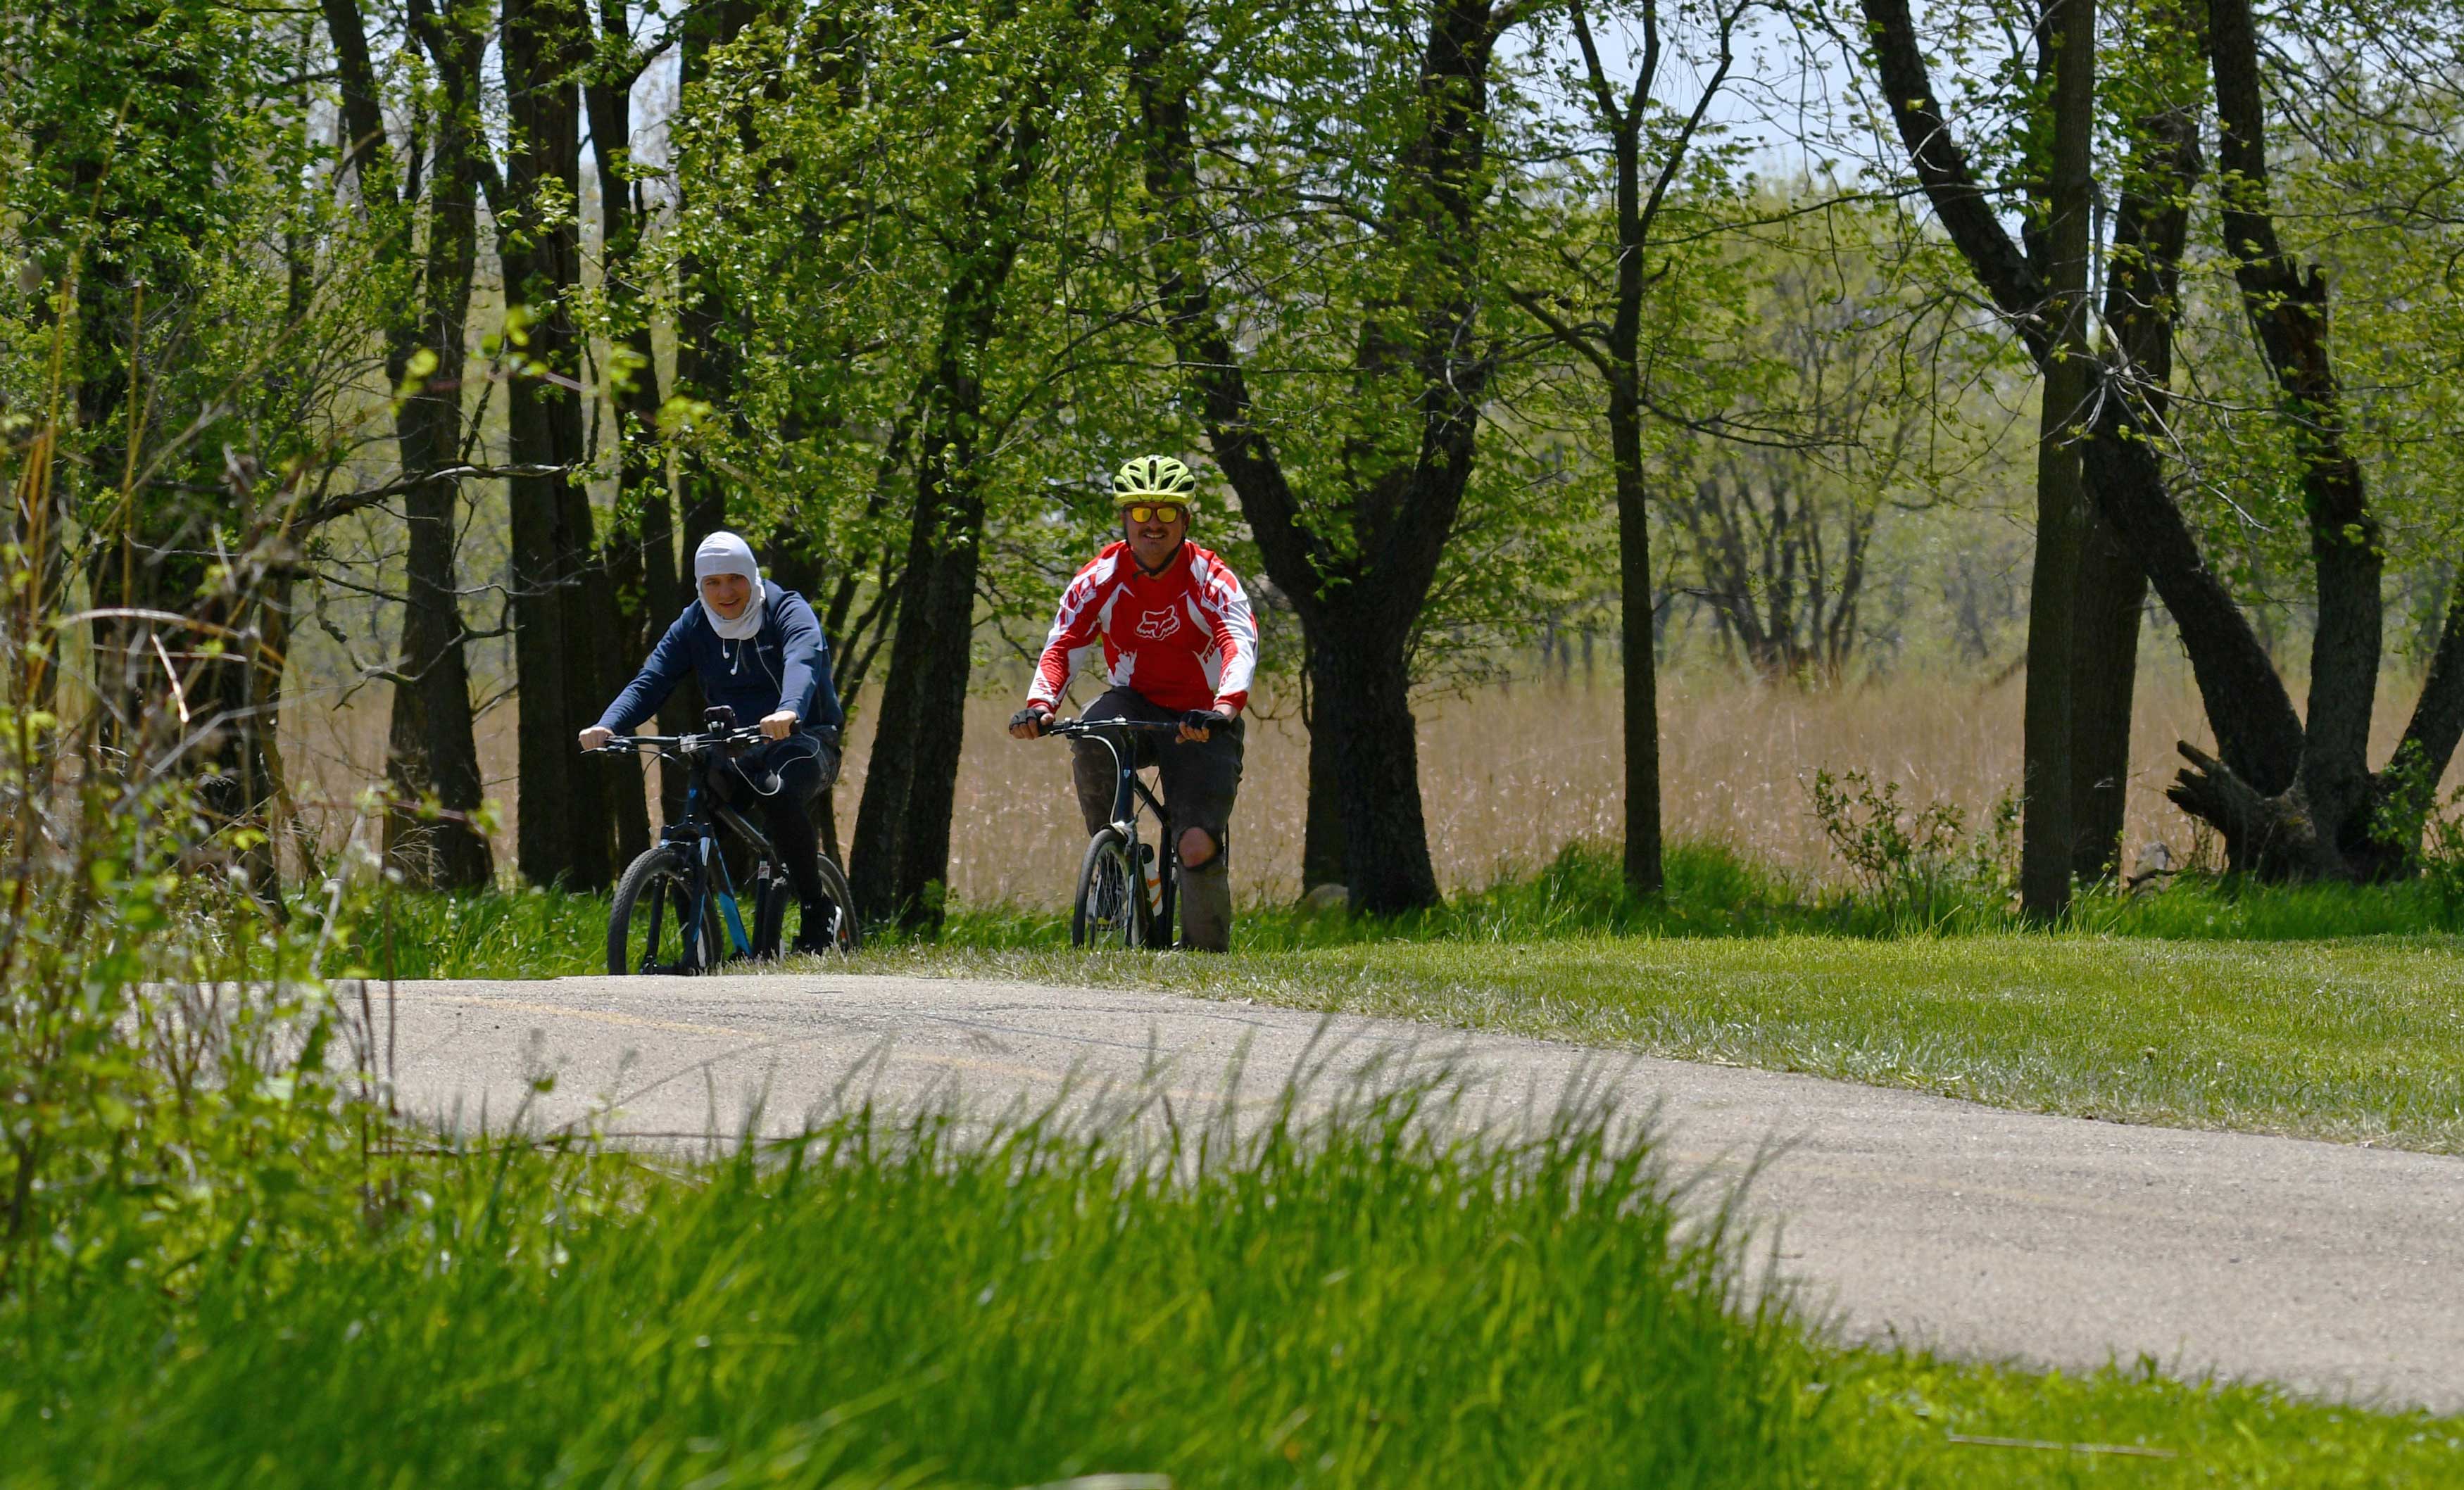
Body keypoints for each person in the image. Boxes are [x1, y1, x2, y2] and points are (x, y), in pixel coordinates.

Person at [1008, 455, 1259, 951]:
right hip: (1136, 701)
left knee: (1195, 845)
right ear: (1124, 519)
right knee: (1092, 733)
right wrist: (1040, 705)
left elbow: (1239, 642)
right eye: (1141, 513)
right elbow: (1064, 643)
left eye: (1167, 513)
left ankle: (1205, 958)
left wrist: (1223, 709)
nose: (1153, 525)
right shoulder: (1099, 577)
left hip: (1202, 716)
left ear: (1186, 520)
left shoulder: (1211, 578)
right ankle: (1113, 860)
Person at [580, 531, 846, 951]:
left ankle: (817, 909)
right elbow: (653, 679)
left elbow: (804, 658)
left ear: (752, 575)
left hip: (805, 738)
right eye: (713, 582)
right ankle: (699, 940)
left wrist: (789, 709)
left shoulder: (785, 609)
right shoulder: (694, 623)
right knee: (698, 810)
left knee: (777, 792)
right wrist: (609, 724)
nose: (726, 592)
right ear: (700, 586)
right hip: (737, 744)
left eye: (735, 579)